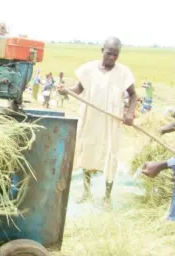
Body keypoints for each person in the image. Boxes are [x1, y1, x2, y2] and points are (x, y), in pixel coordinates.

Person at [58, 37, 137, 209]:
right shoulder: (89, 69)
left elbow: (133, 95)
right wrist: (66, 91)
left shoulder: (123, 72)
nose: (112, 58)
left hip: (111, 121)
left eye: (115, 55)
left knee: (110, 154)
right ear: (102, 51)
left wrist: (130, 113)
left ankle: (107, 197)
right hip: (90, 118)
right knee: (87, 150)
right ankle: (86, 192)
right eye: (109, 54)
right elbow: (78, 89)